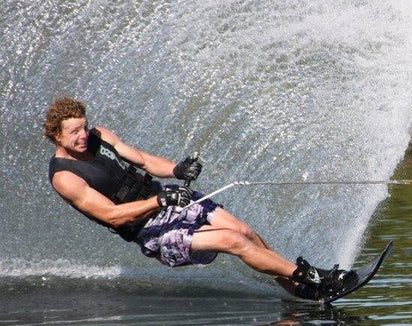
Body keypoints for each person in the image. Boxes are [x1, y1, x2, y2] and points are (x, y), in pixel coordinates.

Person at [44, 97, 350, 301]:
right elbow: (112, 215)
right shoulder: (65, 178)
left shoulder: (99, 135)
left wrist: (177, 169)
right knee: (234, 241)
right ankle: (315, 278)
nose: (83, 135)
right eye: (74, 132)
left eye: (84, 127)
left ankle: (299, 288)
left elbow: (144, 161)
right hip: (151, 231)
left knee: (243, 230)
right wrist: (160, 201)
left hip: (170, 200)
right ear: (56, 136)